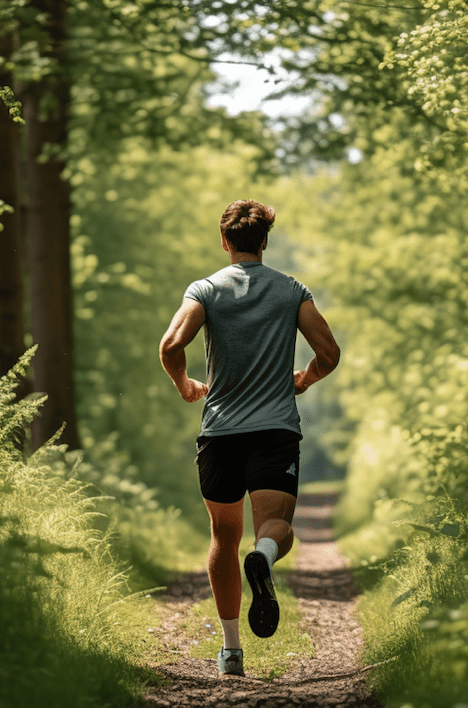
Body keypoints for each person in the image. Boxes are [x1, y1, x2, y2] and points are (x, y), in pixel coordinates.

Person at [158, 199, 340, 677]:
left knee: (223, 534)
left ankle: (232, 649)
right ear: (264, 241)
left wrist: (185, 385)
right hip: (275, 430)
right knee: (274, 529)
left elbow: (171, 346)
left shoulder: (205, 290)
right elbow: (329, 352)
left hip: (219, 432)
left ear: (225, 241)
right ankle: (262, 559)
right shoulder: (291, 290)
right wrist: (306, 378)